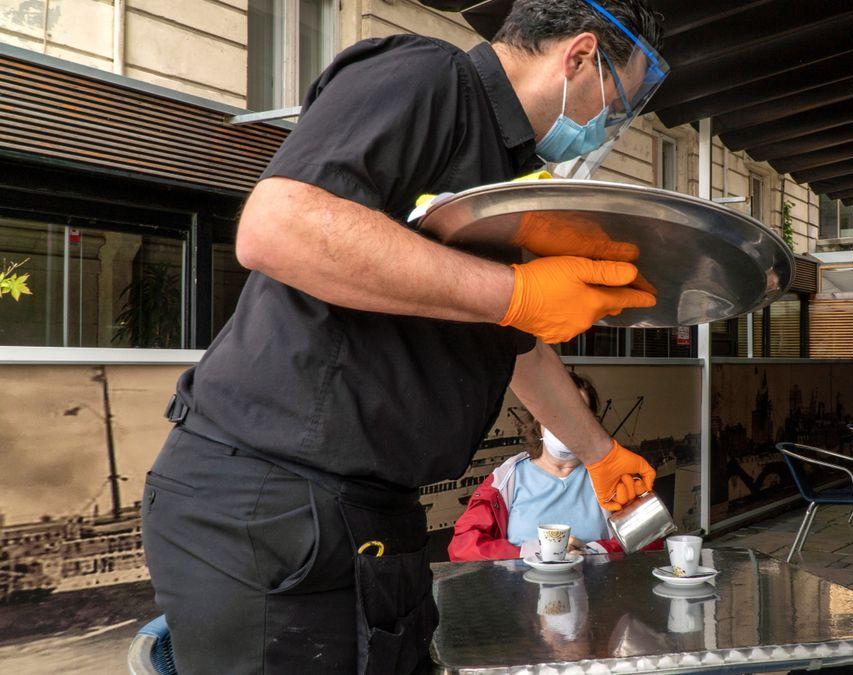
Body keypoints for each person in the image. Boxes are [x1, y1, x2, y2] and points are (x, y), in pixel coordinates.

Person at [140, 2, 668, 672]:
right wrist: (517, 293)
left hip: (368, 512)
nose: (611, 124)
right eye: (620, 99)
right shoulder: (430, 77)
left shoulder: (504, 173)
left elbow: (505, 335)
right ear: (580, 56)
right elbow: (277, 225)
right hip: (272, 502)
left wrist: (599, 453)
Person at [450, 372, 630, 560]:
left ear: (592, 423)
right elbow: (463, 546)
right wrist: (535, 552)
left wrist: (593, 551)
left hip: (596, 587)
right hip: (521, 586)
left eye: (578, 414)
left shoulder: (612, 477)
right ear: (538, 417)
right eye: (557, 412)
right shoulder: (509, 478)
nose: (566, 425)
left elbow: (649, 538)